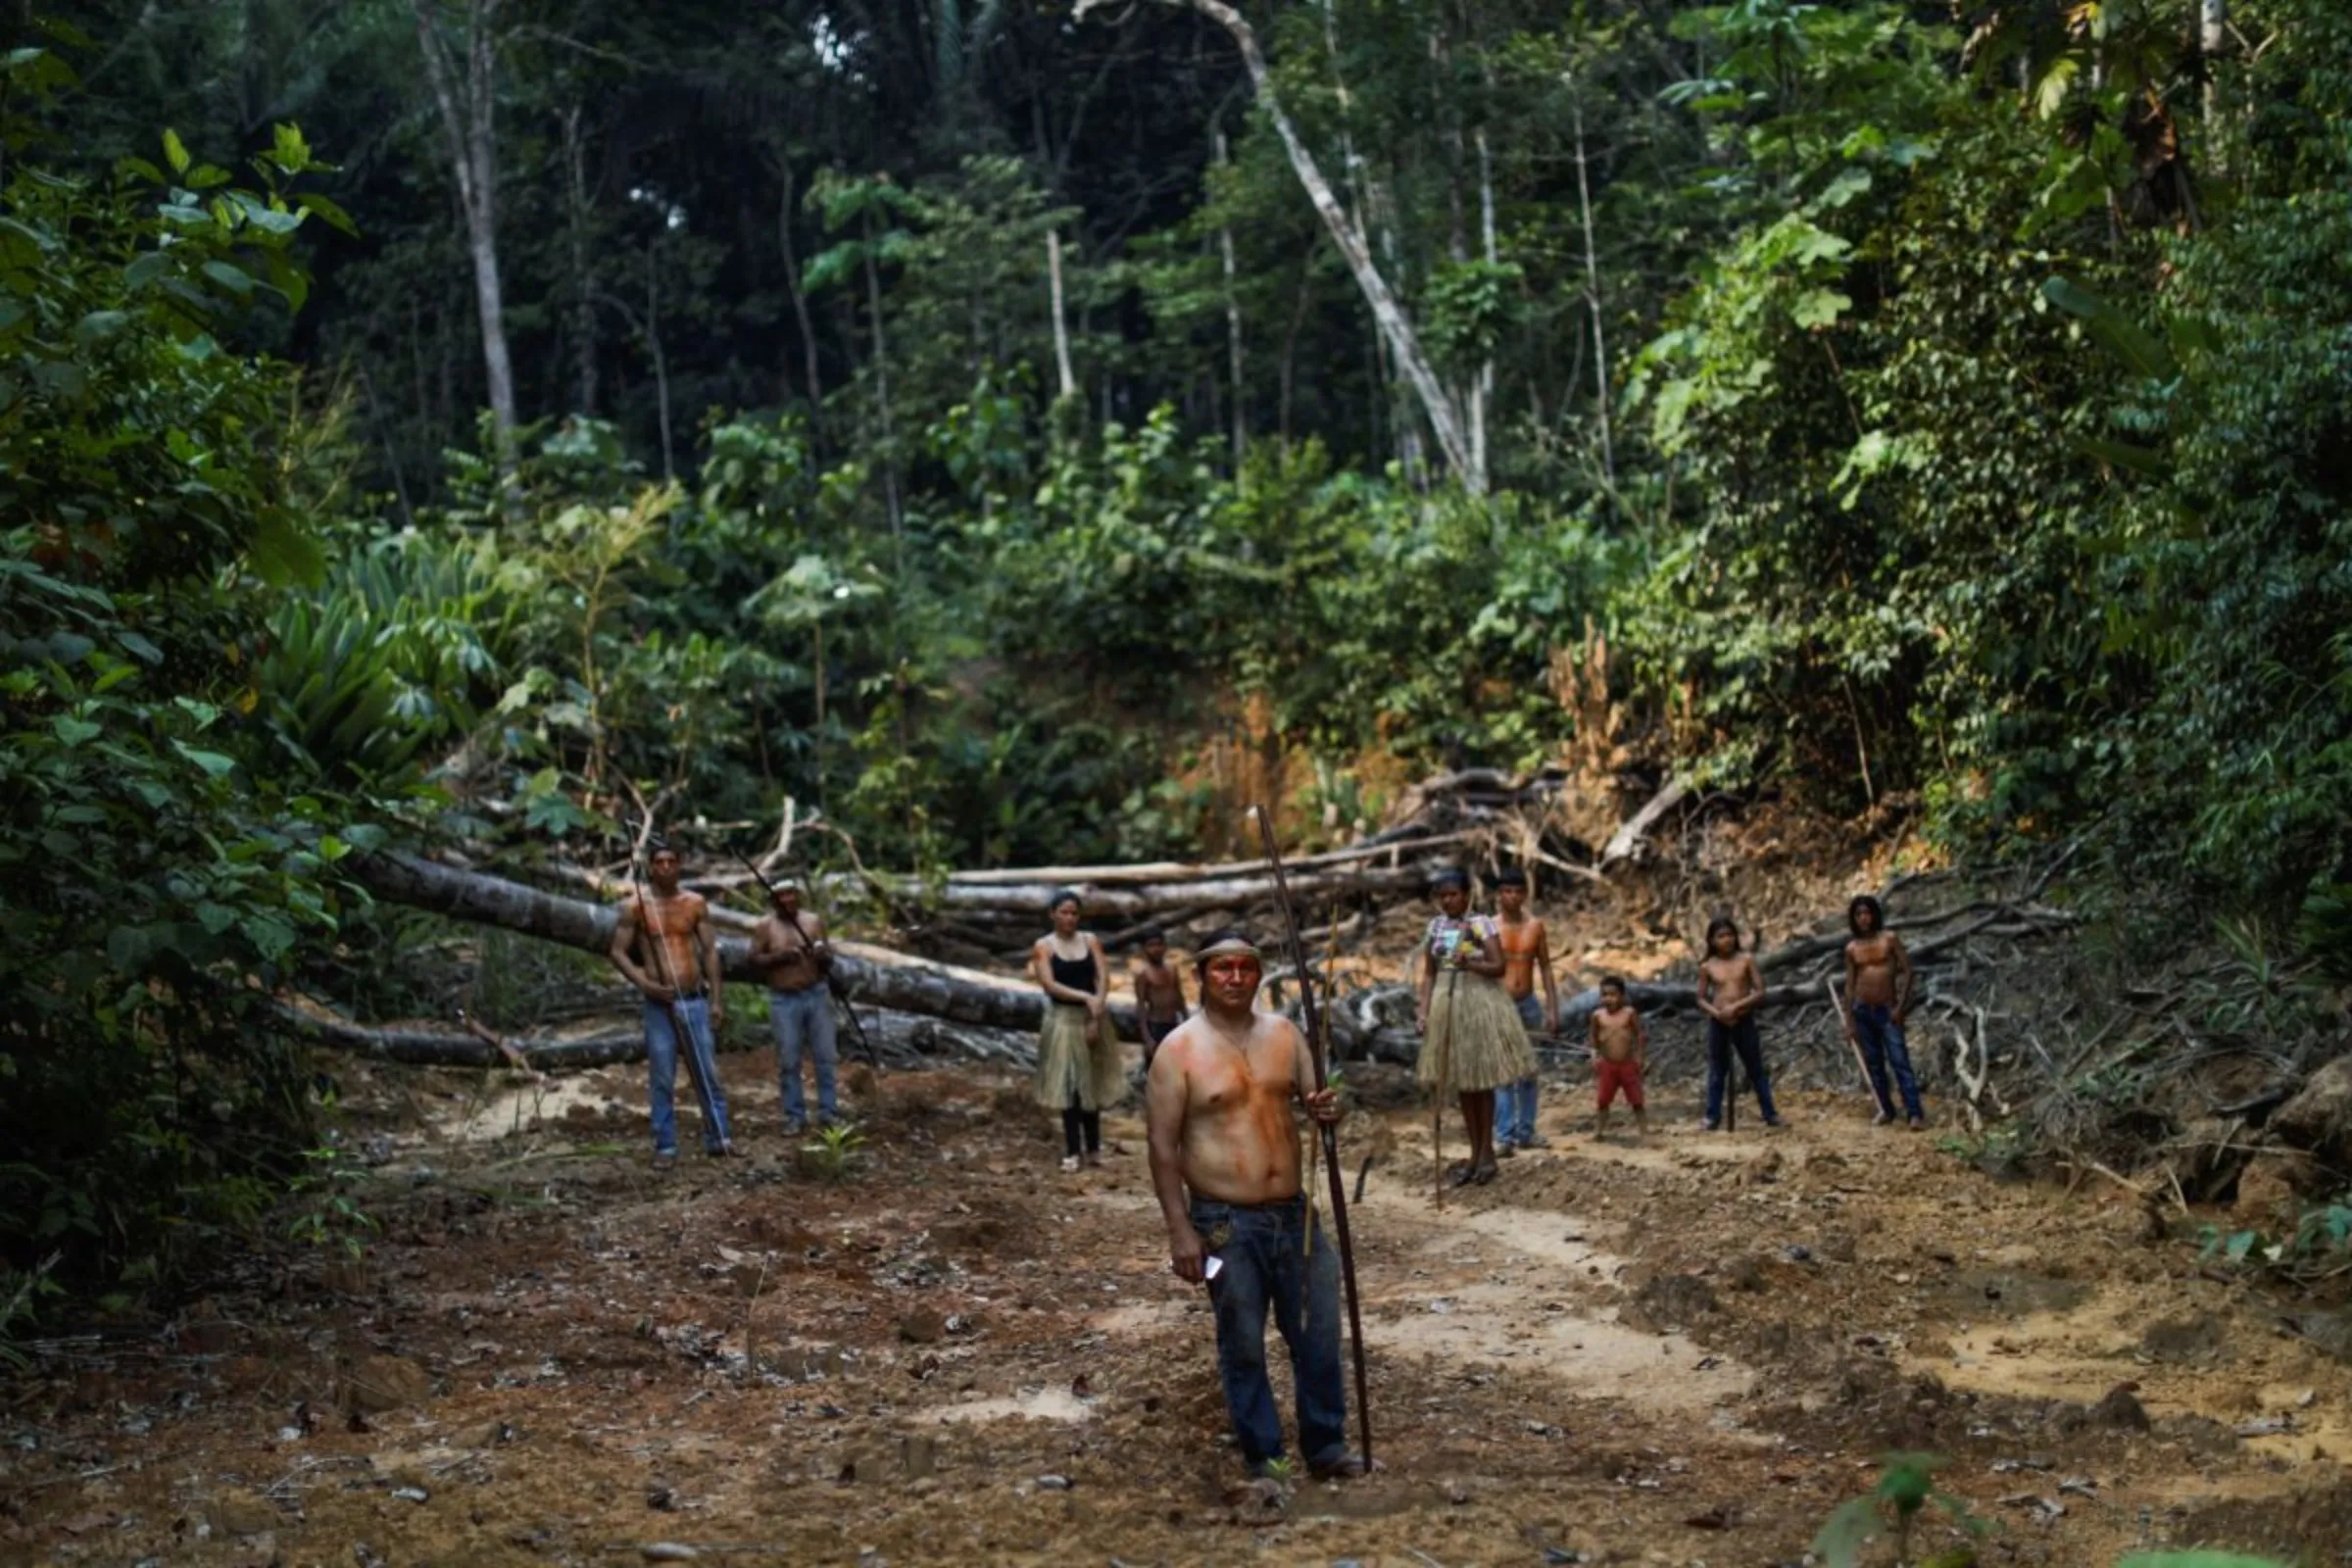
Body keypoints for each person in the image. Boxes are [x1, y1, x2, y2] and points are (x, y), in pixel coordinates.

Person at [1147, 932, 1361, 1481]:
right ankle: (1266, 1454)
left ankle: (1325, 1443)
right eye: (1223, 969)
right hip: (1224, 1220)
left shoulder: (1286, 1035)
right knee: (1242, 1339)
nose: (1235, 977)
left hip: (1295, 1214)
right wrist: (1180, 1230)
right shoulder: (1178, 1050)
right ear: (1202, 976)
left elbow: (1320, 1105)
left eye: (1245, 967)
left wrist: (1329, 1109)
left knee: (1316, 1332)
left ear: (1259, 974)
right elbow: (1162, 1148)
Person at [609, 840, 735, 1167]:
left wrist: (717, 1001)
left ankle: (719, 1137)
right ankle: (665, 1145)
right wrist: (645, 983)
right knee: (662, 1075)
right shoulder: (636, 905)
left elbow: (709, 951)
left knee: (706, 1072)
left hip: (693, 999)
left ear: (679, 866)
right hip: (659, 1005)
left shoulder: (694, 903)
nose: (665, 867)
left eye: (671, 862)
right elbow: (617, 951)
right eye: (659, 862)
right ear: (651, 867)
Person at [1415, 870, 1536, 1186]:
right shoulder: (1436, 927)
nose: (1448, 900)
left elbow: (1498, 966)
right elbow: (1429, 972)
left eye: (1454, 894)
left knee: (1481, 1082)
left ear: (1467, 895)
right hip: (1447, 1001)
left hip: (1477, 1001)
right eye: (1442, 895)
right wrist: (1423, 1010)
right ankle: (1474, 1154)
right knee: (1464, 1086)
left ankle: (1486, 1154)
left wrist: (1467, 961)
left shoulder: (1480, 923)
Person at [1029, 890, 1125, 1171]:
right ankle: (1072, 1150)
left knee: (1090, 1084)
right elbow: (1049, 984)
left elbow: (1103, 975)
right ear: (1052, 914)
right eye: (1064, 912)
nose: (1069, 918)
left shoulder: (1090, 941)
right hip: (1062, 1020)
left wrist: (1097, 1006)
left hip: (1092, 1016)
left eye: (1074, 913)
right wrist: (1085, 997)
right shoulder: (1043, 946)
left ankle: (1094, 1148)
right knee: (1068, 1086)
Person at [751, 880, 840, 1136]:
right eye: (780, 895)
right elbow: (753, 959)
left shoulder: (813, 921)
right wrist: (779, 957)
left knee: (825, 1057)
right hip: (784, 998)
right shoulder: (765, 927)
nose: (786, 899)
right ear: (773, 900)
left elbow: (828, 957)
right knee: (789, 1060)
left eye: (790, 894)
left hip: (816, 993)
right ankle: (794, 1115)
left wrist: (823, 956)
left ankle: (829, 1112)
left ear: (797, 897)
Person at [1842, 895, 1924, 1129]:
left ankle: (1914, 1113)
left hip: (1888, 1011)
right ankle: (1886, 1110)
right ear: (1853, 918)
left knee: (1900, 1061)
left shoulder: (1889, 939)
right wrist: (1849, 1021)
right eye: (1858, 914)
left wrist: (1900, 1008)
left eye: (1867, 913)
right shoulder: (1852, 948)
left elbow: (1908, 972)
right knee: (1874, 1063)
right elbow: (1849, 985)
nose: (1863, 918)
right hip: (1862, 1011)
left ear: (1874, 914)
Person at [1493, 868, 1559, 1155]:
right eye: (1507, 891)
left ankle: (1526, 1131)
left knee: (1528, 1070)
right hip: (1499, 1003)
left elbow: (1544, 966)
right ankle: (1504, 1135)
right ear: (1499, 895)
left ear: (1525, 894)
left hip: (1528, 1002)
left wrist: (1553, 1008)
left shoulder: (1535, 926)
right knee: (1504, 1070)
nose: (1513, 897)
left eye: (1518, 891)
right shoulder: (1489, 927)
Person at [1696, 916, 1780, 1131]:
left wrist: (1737, 1007)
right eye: (1721, 936)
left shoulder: (1746, 960)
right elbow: (1701, 998)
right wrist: (1717, 1013)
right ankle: (1712, 1116)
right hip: (1719, 1022)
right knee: (1717, 1070)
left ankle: (1770, 1113)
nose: (1727, 940)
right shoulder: (1708, 966)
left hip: (1743, 1019)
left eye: (1730, 935)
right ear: (1712, 940)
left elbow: (1760, 990)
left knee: (1755, 1068)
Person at [1588, 976, 1649, 1137]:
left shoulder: (1629, 1013)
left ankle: (1644, 1131)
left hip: (1627, 1064)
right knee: (1603, 1100)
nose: (1608, 999)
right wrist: (1594, 1056)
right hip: (1607, 1065)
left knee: (1637, 1100)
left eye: (1612, 994)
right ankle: (1599, 1131)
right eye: (1604, 995)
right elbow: (1593, 1038)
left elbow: (1640, 1035)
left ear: (1622, 996)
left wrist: (1640, 1057)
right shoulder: (1598, 1016)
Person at [1132, 929, 1188, 1073]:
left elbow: (1179, 997)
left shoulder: (1172, 968)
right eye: (1151, 945)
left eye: (1159, 944)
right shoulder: (1143, 973)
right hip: (1155, 1026)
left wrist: (1187, 1022)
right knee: (1155, 1070)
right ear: (1144, 949)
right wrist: (1147, 1038)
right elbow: (1141, 1006)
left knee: (1176, 1068)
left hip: (1173, 1023)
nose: (1156, 949)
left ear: (1165, 946)